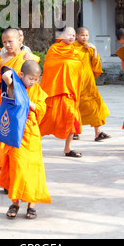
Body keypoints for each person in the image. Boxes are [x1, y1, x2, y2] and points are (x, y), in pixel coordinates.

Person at [0, 60, 51, 219]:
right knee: (17, 167)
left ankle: (32, 203)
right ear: (22, 75)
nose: (33, 82)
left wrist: (28, 102)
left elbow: (41, 109)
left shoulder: (37, 90)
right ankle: (15, 202)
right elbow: (5, 76)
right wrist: (11, 75)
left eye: (36, 79)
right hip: (16, 133)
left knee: (33, 168)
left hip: (31, 134)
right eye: (30, 78)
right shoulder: (15, 85)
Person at [0, 28, 40, 174]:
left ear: (19, 40)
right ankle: (6, 177)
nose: (7, 45)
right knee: (5, 139)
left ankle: (18, 176)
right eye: (4, 42)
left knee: (21, 142)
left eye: (10, 41)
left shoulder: (28, 59)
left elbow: (34, 83)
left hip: (22, 106)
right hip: (5, 104)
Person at [39, 27, 83, 157]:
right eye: (69, 34)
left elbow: (78, 68)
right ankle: (34, 144)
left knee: (72, 117)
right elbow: (49, 66)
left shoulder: (75, 51)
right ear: (62, 35)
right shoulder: (54, 49)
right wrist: (65, 64)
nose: (72, 37)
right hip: (54, 90)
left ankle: (68, 148)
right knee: (46, 118)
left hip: (69, 91)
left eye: (74, 35)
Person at [72, 27, 110, 141]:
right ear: (77, 36)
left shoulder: (89, 48)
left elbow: (96, 67)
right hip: (76, 82)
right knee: (75, 107)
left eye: (87, 35)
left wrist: (94, 50)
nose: (85, 37)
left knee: (95, 105)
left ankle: (98, 133)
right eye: (82, 35)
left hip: (88, 82)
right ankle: (74, 131)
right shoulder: (72, 48)